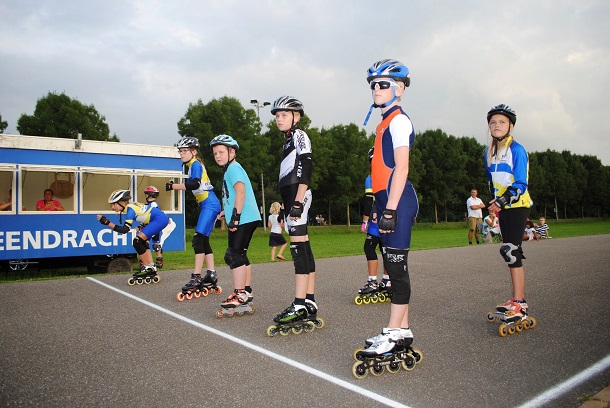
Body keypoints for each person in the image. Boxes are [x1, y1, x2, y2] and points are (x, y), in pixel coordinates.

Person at [360, 59, 419, 356]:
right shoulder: (383, 122)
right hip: (386, 200)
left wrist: (391, 208)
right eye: (373, 84)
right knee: (392, 266)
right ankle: (403, 330)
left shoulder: (398, 120)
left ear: (399, 89)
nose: (376, 89)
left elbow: (402, 167)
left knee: (396, 270)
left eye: (383, 84)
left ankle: (394, 332)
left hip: (399, 201)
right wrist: (380, 206)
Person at [270, 95, 319, 326]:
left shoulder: (299, 135)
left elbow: (305, 167)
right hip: (291, 196)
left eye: (284, 115)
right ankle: (309, 300)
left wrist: (297, 202)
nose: (279, 119)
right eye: (277, 116)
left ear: (296, 117)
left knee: (297, 248)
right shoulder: (288, 139)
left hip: (297, 196)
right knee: (304, 245)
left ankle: (299, 304)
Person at [485, 104, 533, 323]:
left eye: (502, 122)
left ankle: (520, 304)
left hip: (517, 205)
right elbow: (494, 182)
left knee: (512, 250)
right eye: (493, 122)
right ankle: (516, 299)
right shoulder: (489, 152)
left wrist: (502, 201)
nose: (497, 125)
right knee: (509, 251)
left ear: (510, 126)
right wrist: (495, 202)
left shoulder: (517, 150)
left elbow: (521, 183)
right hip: (503, 206)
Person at [210, 135, 260, 312]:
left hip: (244, 217)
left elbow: (241, 192)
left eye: (221, 152)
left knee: (233, 255)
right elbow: (233, 195)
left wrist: (236, 217)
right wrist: (227, 211)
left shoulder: (233, 168)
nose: (217, 156)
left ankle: (239, 294)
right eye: (215, 153)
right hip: (248, 216)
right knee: (241, 254)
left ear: (232, 152)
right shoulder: (231, 169)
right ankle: (246, 291)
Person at [166, 137, 222, 297]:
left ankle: (196, 277)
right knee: (203, 240)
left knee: (197, 239)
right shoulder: (191, 166)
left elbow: (195, 184)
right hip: (208, 204)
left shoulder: (195, 164)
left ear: (194, 152)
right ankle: (211, 274)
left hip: (209, 204)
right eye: (180, 151)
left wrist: (173, 186)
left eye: (185, 151)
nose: (182, 154)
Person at [97, 189, 169, 279]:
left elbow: (125, 230)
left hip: (159, 219)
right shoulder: (130, 207)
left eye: (113, 204)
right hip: (158, 219)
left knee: (137, 241)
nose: (112, 207)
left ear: (121, 202)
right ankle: (151, 267)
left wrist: (107, 223)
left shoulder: (130, 210)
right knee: (142, 242)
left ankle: (147, 267)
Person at [357, 147, 391, 302]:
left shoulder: (371, 178)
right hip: (388, 218)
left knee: (371, 248)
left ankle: (374, 282)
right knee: (383, 249)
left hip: (378, 220)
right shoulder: (390, 175)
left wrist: (365, 220)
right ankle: (386, 280)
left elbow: (369, 200)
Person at [142, 185, 176, 268]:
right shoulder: (152, 204)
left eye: (146, 194)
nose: (145, 196)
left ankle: (146, 261)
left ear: (149, 195)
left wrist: (142, 225)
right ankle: (159, 260)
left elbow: (149, 215)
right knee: (156, 242)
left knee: (144, 242)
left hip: (153, 226)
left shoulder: (153, 204)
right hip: (155, 226)